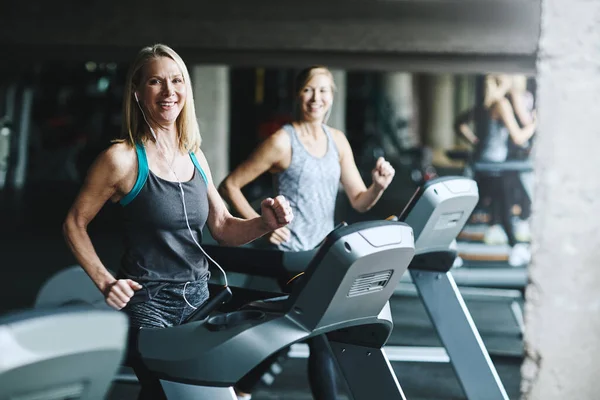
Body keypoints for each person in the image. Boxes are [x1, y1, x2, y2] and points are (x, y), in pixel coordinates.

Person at [62, 44, 293, 400]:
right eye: (156, 81)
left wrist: (264, 223)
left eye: (177, 80)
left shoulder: (194, 154)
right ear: (138, 92)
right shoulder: (122, 159)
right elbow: (75, 222)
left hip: (200, 300)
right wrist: (106, 282)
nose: (169, 91)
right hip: (149, 305)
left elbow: (223, 228)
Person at [219, 66, 395, 400]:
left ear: (332, 96)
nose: (316, 98)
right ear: (298, 94)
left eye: (324, 91)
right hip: (291, 258)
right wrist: (261, 226)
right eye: (309, 90)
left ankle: (240, 391)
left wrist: (379, 186)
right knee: (320, 336)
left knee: (291, 329)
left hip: (326, 257)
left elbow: (359, 201)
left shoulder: (337, 141)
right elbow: (230, 185)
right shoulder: (282, 141)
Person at [454, 74, 536, 266]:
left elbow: (459, 124)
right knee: (487, 205)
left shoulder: (485, 105)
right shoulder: (501, 104)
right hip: (493, 165)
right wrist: (536, 124)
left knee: (496, 204)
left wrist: (476, 142)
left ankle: (515, 247)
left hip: (485, 163)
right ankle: (515, 247)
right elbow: (518, 137)